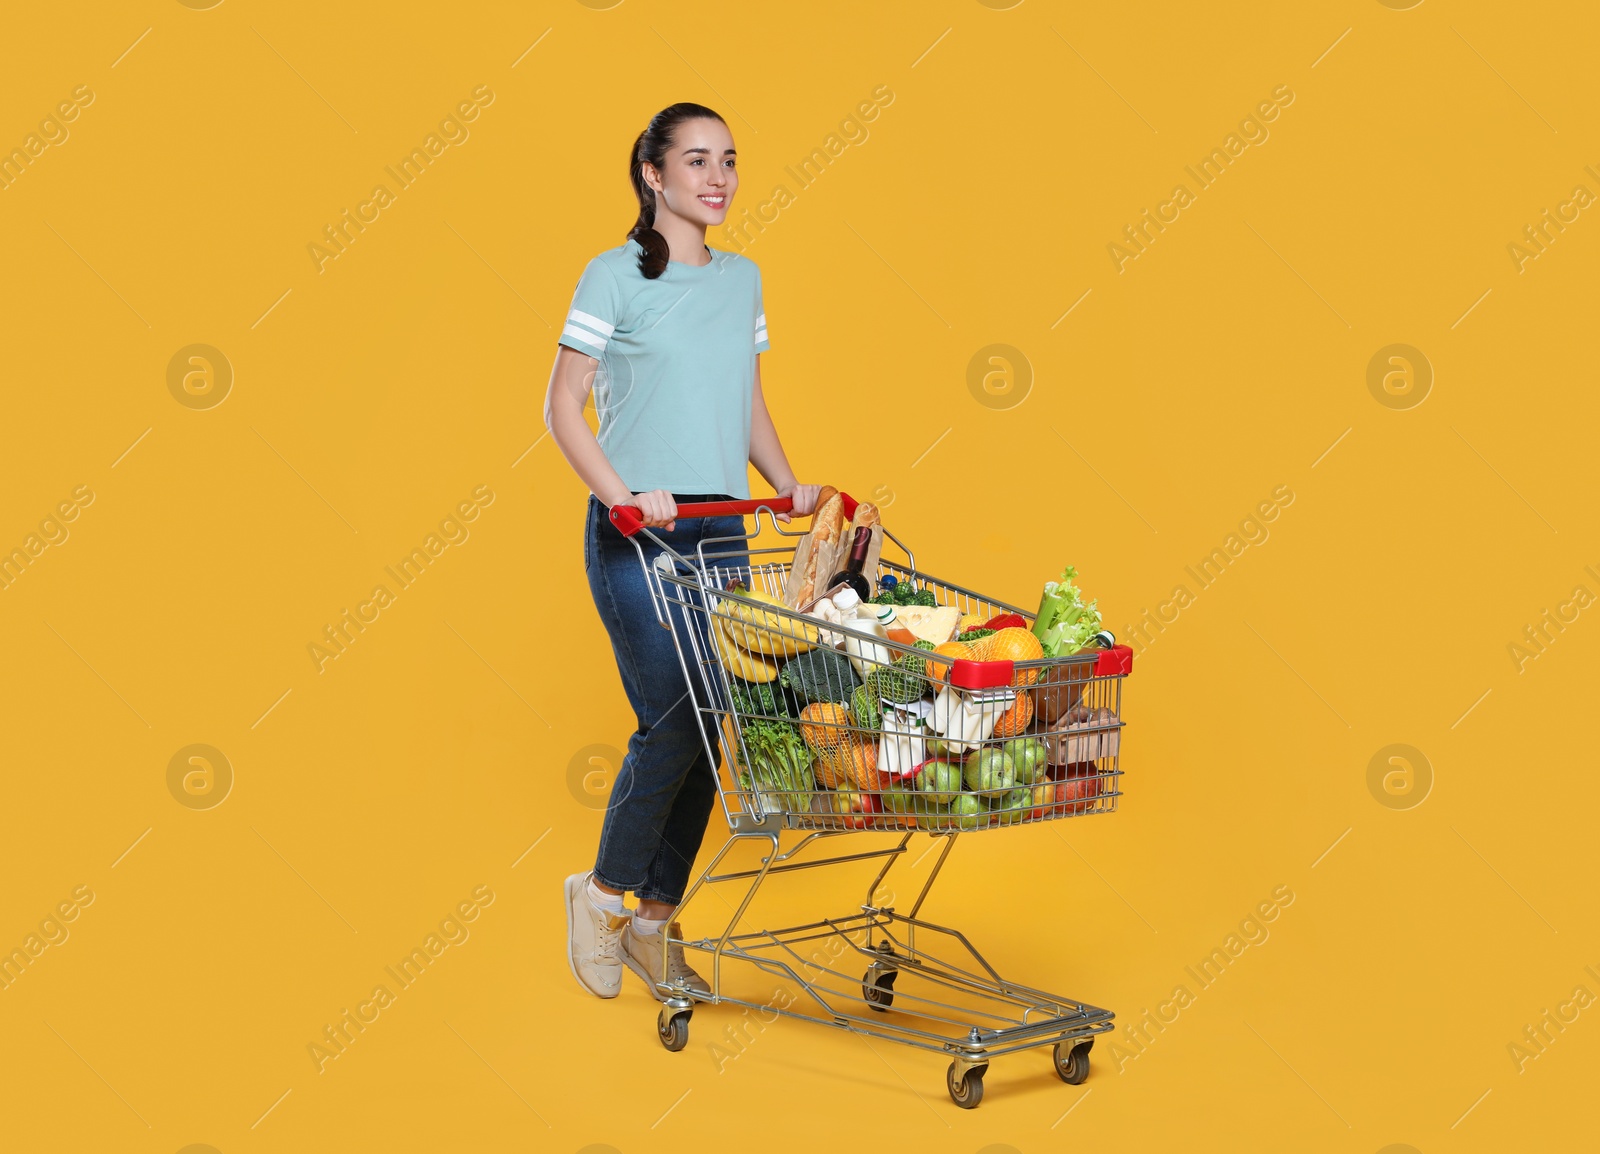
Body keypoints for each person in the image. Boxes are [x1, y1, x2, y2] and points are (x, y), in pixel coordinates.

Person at [545, 102, 819, 999]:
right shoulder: (612, 275)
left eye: (730, 160)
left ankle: (654, 923)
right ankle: (601, 897)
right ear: (653, 176)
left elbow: (743, 402)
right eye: (697, 160)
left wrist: (791, 485)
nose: (719, 177)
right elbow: (562, 408)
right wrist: (624, 497)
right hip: (639, 535)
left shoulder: (742, 280)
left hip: (725, 527)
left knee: (713, 724)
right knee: (673, 717)